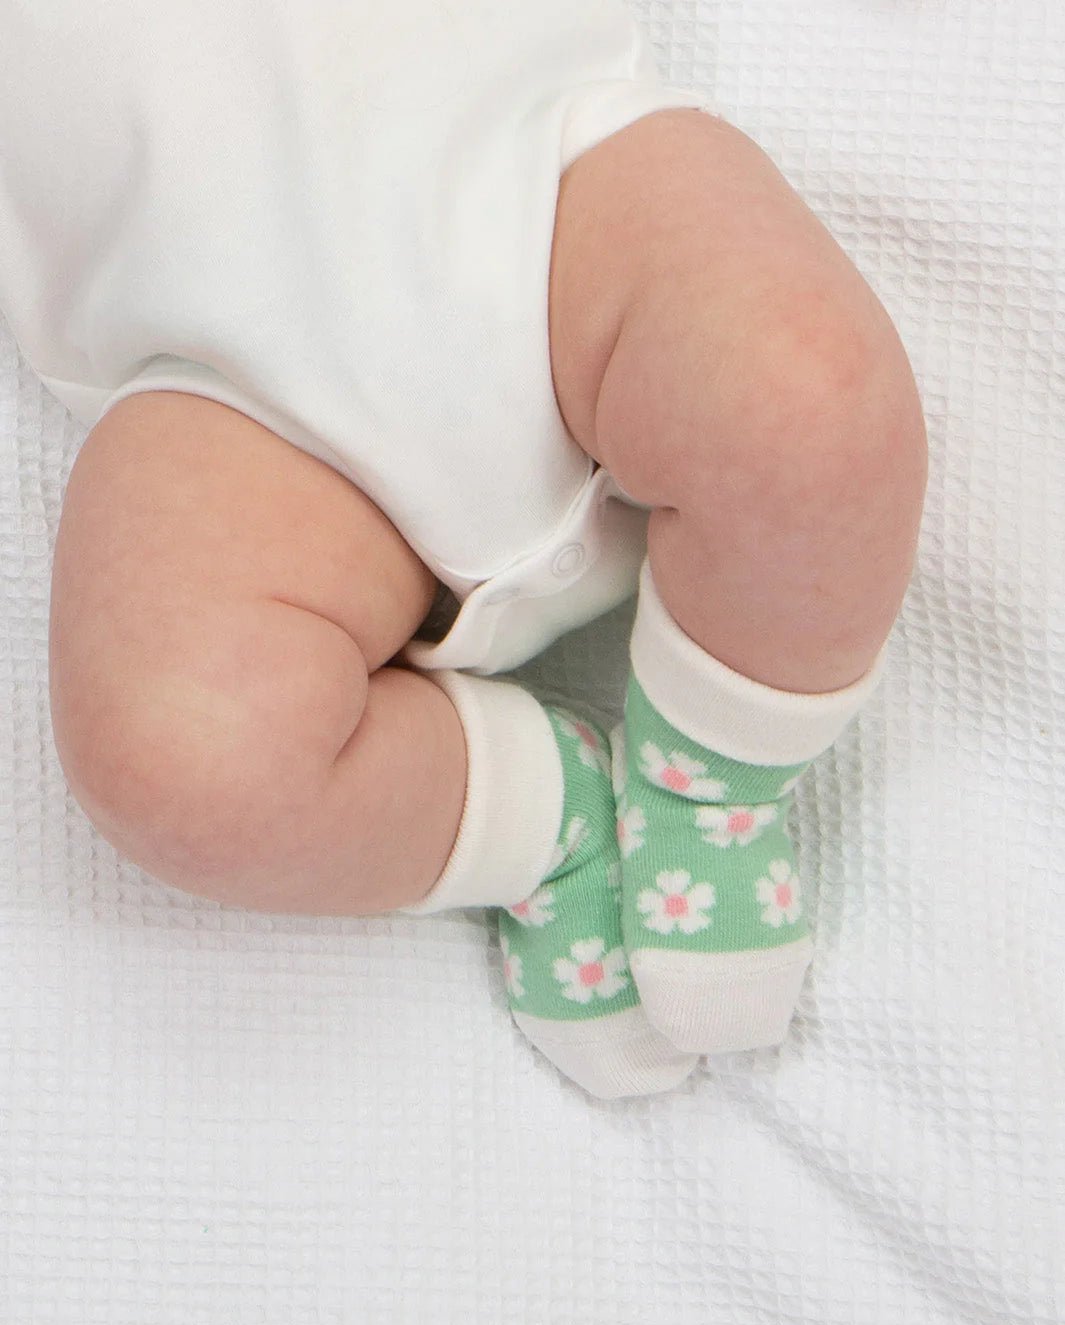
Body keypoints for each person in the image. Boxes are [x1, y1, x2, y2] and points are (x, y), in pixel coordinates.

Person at [2, 0, 927, 1098]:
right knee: (174, 751)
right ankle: (547, 820)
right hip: (230, 393)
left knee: (804, 392)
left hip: (542, 189)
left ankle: (709, 786)